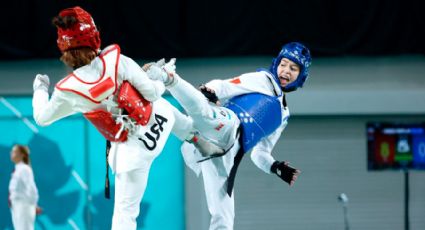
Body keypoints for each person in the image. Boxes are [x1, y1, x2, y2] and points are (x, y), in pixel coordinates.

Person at [31, 6, 216, 230]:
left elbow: (42, 118)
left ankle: (196, 139)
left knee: (125, 216)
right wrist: (157, 77)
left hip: (131, 155)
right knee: (160, 104)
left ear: (63, 48)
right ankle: (197, 140)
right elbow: (153, 93)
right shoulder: (118, 61)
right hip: (157, 124)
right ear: (95, 36)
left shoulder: (67, 91)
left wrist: (40, 89)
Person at [146, 42, 311, 229]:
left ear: (301, 76)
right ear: (277, 64)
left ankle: (151, 106)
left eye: (293, 68)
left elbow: (260, 154)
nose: (286, 71)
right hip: (228, 125)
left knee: (223, 218)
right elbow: (225, 85)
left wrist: (275, 167)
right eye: (283, 64)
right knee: (203, 113)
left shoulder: (283, 116)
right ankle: (166, 77)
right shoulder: (264, 80)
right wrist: (210, 90)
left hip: (227, 155)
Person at [9, 145, 41, 230]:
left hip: (24, 206)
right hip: (16, 205)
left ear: (22, 155)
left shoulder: (24, 169)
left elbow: (31, 188)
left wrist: (33, 204)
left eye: (14, 152)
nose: (11, 153)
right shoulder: (17, 170)